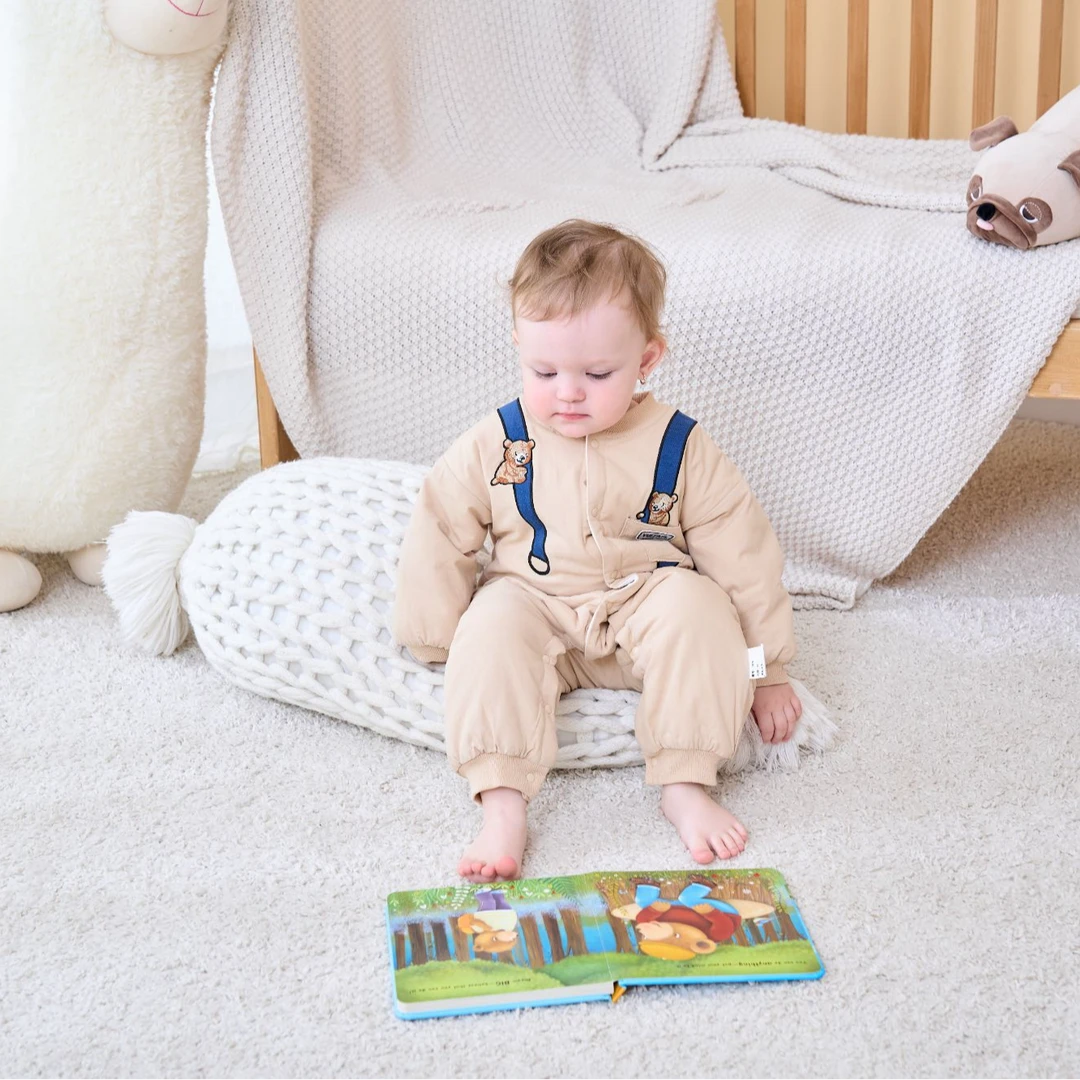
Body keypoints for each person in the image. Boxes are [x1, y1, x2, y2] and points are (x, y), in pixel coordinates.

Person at [393, 219, 800, 883]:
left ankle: (686, 783)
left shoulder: (681, 446)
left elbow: (744, 559)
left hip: (646, 600)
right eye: (543, 370)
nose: (568, 391)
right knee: (490, 624)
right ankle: (502, 805)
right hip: (536, 599)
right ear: (518, 346)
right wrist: (436, 636)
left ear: (647, 359)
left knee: (701, 606)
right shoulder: (501, 442)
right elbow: (441, 526)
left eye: (598, 372)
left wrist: (767, 670)